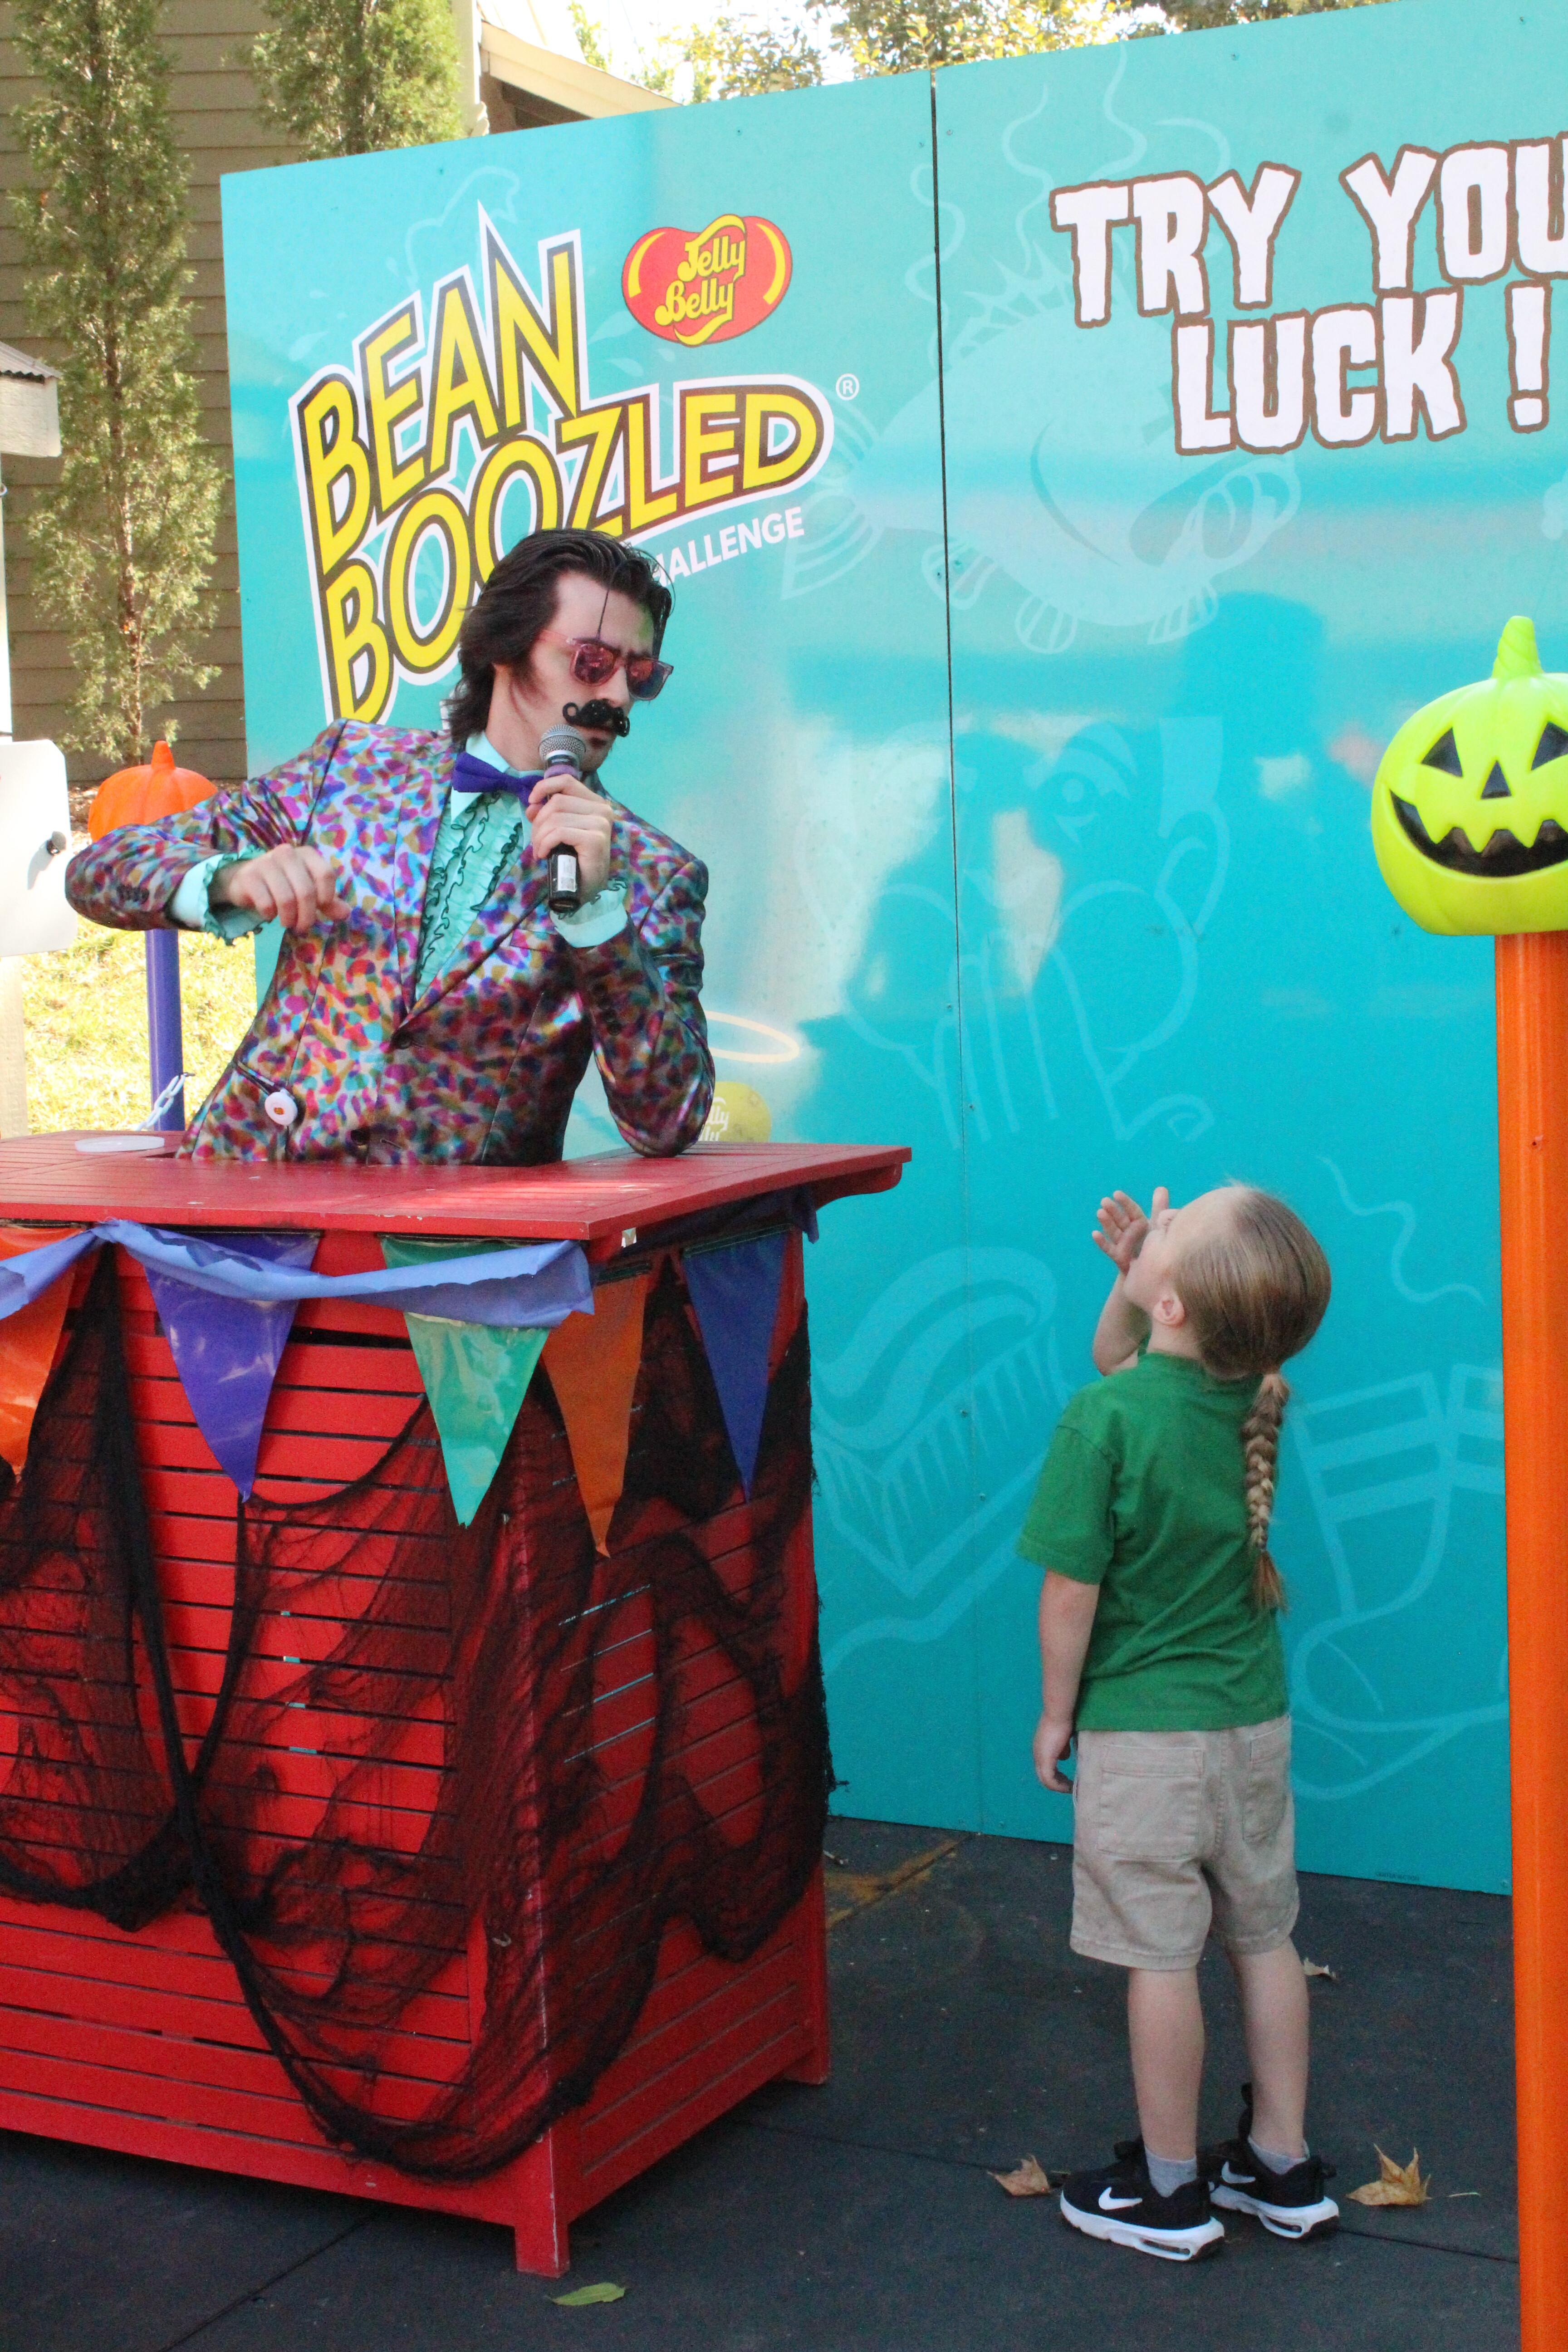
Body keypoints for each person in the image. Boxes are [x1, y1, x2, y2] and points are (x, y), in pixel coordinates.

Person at [65, 529, 713, 1164]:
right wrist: (230, 878)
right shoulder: (351, 767)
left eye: (639, 675)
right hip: (249, 1184)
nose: (617, 696)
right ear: (506, 644)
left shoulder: (652, 872)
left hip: (456, 1229)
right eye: (592, 663)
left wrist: (598, 921)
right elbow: (99, 870)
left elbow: (668, 1121)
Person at [1020, 1180, 1336, 2262]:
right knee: (1264, 1937)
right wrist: (1134, 1276)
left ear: (1174, 1307)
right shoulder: (1252, 1400)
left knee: (1161, 1957)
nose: (1158, 1224)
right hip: (1252, 1729)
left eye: (1176, 1226)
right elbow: (1127, 1354)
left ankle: (1168, 2193)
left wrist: (1056, 1715)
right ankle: (1283, 2166)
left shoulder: (1102, 1420)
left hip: (1146, 1741)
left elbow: (1071, 1592)